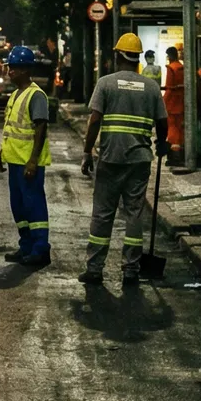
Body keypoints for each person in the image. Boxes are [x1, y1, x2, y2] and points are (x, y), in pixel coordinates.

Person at [80, 32, 169, 285]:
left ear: (118, 56)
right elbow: (163, 122)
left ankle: (95, 269)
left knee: (103, 214)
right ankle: (131, 269)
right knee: (134, 214)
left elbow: (94, 121)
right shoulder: (151, 87)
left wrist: (87, 152)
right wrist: (161, 143)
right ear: (137, 58)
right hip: (139, 160)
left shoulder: (106, 84)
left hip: (111, 158)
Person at [0, 46, 51, 267]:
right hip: (15, 161)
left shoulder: (36, 95)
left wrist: (33, 161)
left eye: (15, 68)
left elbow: (40, 127)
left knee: (33, 205)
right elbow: (11, 128)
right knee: (18, 206)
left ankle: (40, 249)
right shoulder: (16, 95)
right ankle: (26, 246)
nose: (10, 71)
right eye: (10, 67)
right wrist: (1, 155)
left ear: (26, 70)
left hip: (28, 163)